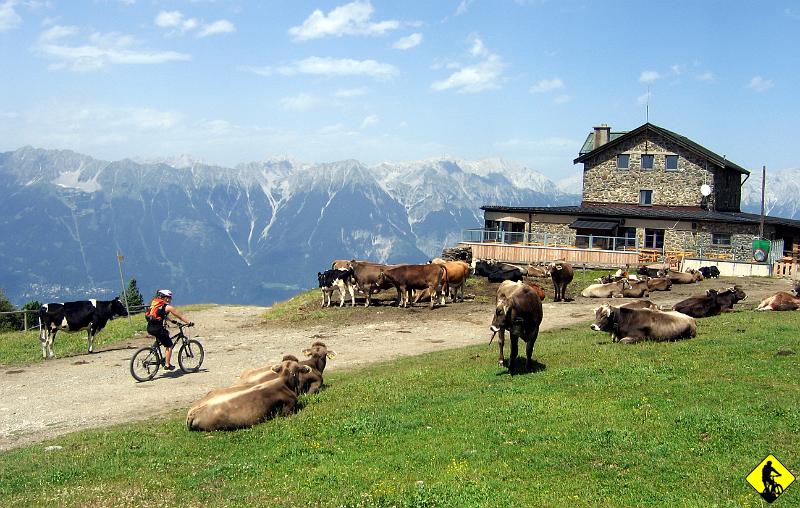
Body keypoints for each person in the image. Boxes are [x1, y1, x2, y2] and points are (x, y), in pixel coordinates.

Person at [145, 289, 192, 370]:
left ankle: (155, 347)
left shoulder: (154, 304)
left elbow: (161, 315)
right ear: (165, 298)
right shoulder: (168, 307)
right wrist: (189, 322)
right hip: (158, 329)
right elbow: (180, 316)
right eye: (169, 297)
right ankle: (167, 364)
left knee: (165, 334)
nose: (170, 299)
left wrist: (172, 321)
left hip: (150, 328)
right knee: (169, 345)